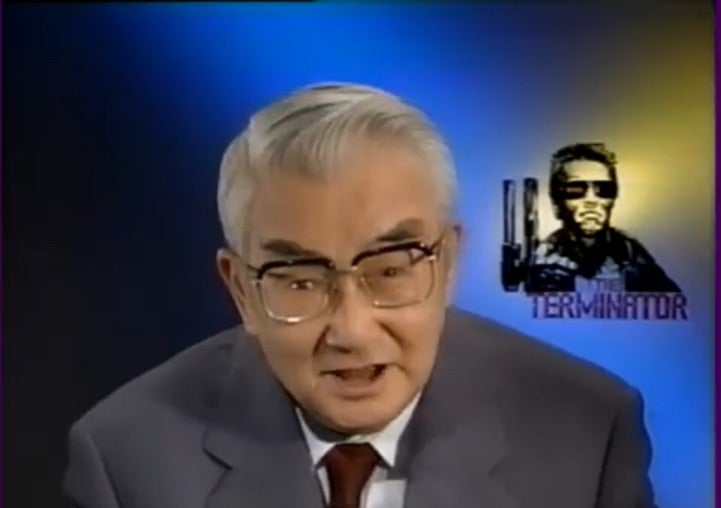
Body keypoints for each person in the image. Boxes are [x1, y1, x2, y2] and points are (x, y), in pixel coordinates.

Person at [62, 83, 657, 508]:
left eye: (390, 270)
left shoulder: (587, 435)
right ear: (241, 290)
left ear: (448, 263)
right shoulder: (126, 461)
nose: (351, 330)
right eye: (300, 280)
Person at [525, 142, 680, 294]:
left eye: (604, 189)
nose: (591, 200)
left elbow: (674, 303)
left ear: (613, 199)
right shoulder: (543, 259)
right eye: (575, 189)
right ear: (556, 203)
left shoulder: (631, 252)